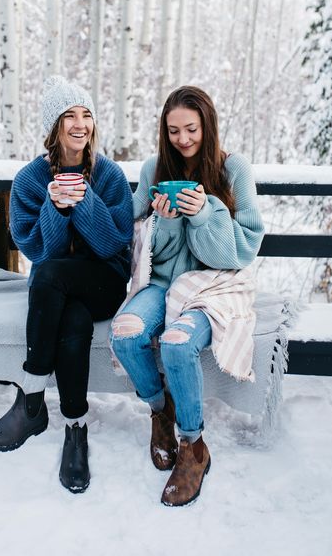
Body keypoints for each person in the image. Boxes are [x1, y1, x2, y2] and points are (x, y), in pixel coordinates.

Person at [0, 75, 133, 494]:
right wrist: (54, 207)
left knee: (49, 280)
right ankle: (75, 428)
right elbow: (36, 250)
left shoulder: (110, 175)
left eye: (86, 115)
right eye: (69, 116)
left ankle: (29, 399)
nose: (80, 124)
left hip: (105, 281)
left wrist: (82, 202)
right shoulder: (30, 180)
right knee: (73, 322)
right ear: (54, 127)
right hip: (58, 290)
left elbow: (114, 244)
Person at [111, 85, 265, 507]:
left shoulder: (234, 171)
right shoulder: (152, 168)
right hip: (161, 283)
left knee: (178, 346)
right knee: (124, 335)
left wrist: (203, 215)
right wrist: (161, 223)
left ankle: (193, 446)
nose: (183, 139)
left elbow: (241, 249)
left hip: (212, 286)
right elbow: (135, 236)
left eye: (191, 129)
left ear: (208, 125)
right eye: (174, 130)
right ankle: (161, 411)